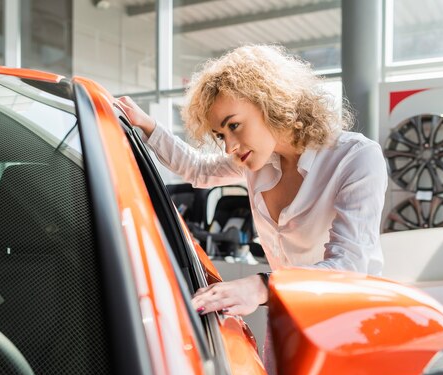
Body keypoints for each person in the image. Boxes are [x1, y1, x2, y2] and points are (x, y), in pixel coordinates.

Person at [117, 44, 388, 317]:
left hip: (351, 324)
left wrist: (260, 286)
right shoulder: (258, 162)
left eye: (234, 125)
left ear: (271, 102)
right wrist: (146, 125)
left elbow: (348, 268)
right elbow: (197, 168)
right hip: (288, 319)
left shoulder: (355, 158)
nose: (229, 147)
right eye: (221, 135)